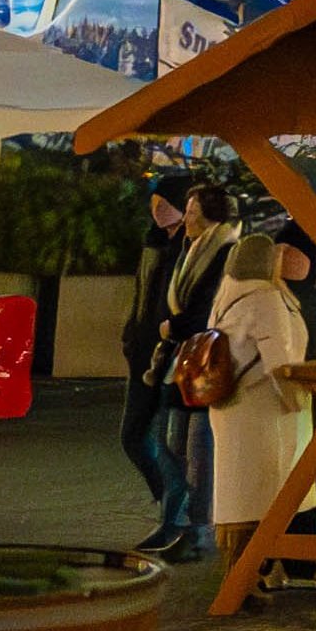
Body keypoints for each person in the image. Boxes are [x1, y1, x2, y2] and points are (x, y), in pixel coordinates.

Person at [204, 222, 316, 583]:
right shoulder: (267, 299)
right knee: (269, 494)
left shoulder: (228, 295)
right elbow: (279, 362)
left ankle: (250, 573)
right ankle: (251, 577)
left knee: (240, 496)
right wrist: (298, 404)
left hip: (232, 409)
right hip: (265, 412)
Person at [122, 178, 231, 557]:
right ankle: (178, 520)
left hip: (194, 360)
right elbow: (151, 298)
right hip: (167, 357)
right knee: (169, 444)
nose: (185, 217)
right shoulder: (181, 247)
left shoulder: (218, 252)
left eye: (191, 211)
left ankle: (189, 528)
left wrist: (174, 327)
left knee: (190, 452)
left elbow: (206, 307)